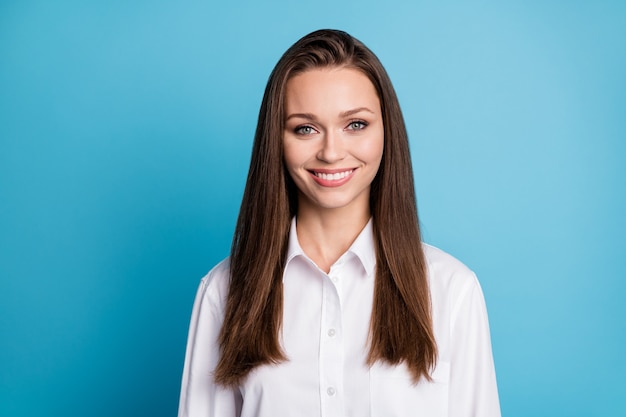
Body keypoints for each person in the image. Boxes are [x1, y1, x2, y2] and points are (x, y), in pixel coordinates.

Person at [178, 29, 501, 417]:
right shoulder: (224, 292)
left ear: (386, 132)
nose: (331, 152)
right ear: (276, 140)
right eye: (305, 128)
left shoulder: (452, 292)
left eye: (355, 125)